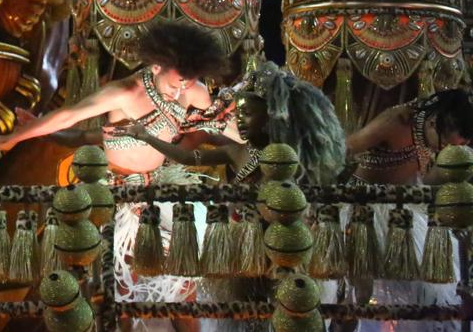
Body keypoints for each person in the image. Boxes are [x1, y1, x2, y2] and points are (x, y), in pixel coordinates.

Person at [0, 21, 228, 184]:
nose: (180, 92)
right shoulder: (124, 92)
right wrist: (14, 137)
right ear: (156, 67)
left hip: (160, 183)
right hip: (111, 187)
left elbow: (211, 128)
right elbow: (69, 116)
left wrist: (184, 147)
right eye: (175, 85)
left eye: (187, 83)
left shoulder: (195, 91)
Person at [345, 89, 471, 332]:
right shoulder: (397, 121)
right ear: (434, 123)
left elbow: (427, 178)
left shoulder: (432, 135)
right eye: (448, 145)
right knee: (360, 291)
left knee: (438, 277)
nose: (446, 152)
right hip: (364, 208)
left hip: (407, 207)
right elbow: (346, 148)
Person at [114, 61, 346, 184]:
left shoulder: (289, 158)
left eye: (247, 113)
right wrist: (145, 136)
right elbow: (185, 157)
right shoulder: (238, 151)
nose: (239, 120)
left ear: (271, 115)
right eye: (237, 113)